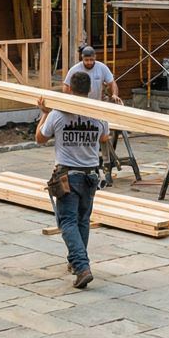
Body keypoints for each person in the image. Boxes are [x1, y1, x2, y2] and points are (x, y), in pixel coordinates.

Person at [35, 69, 109, 290]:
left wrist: (44, 113)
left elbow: (39, 138)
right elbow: (104, 137)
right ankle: (75, 261)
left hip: (68, 175)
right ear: (90, 90)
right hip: (90, 175)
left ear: (68, 89)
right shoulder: (98, 113)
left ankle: (82, 267)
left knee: (67, 221)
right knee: (82, 220)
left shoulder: (58, 114)